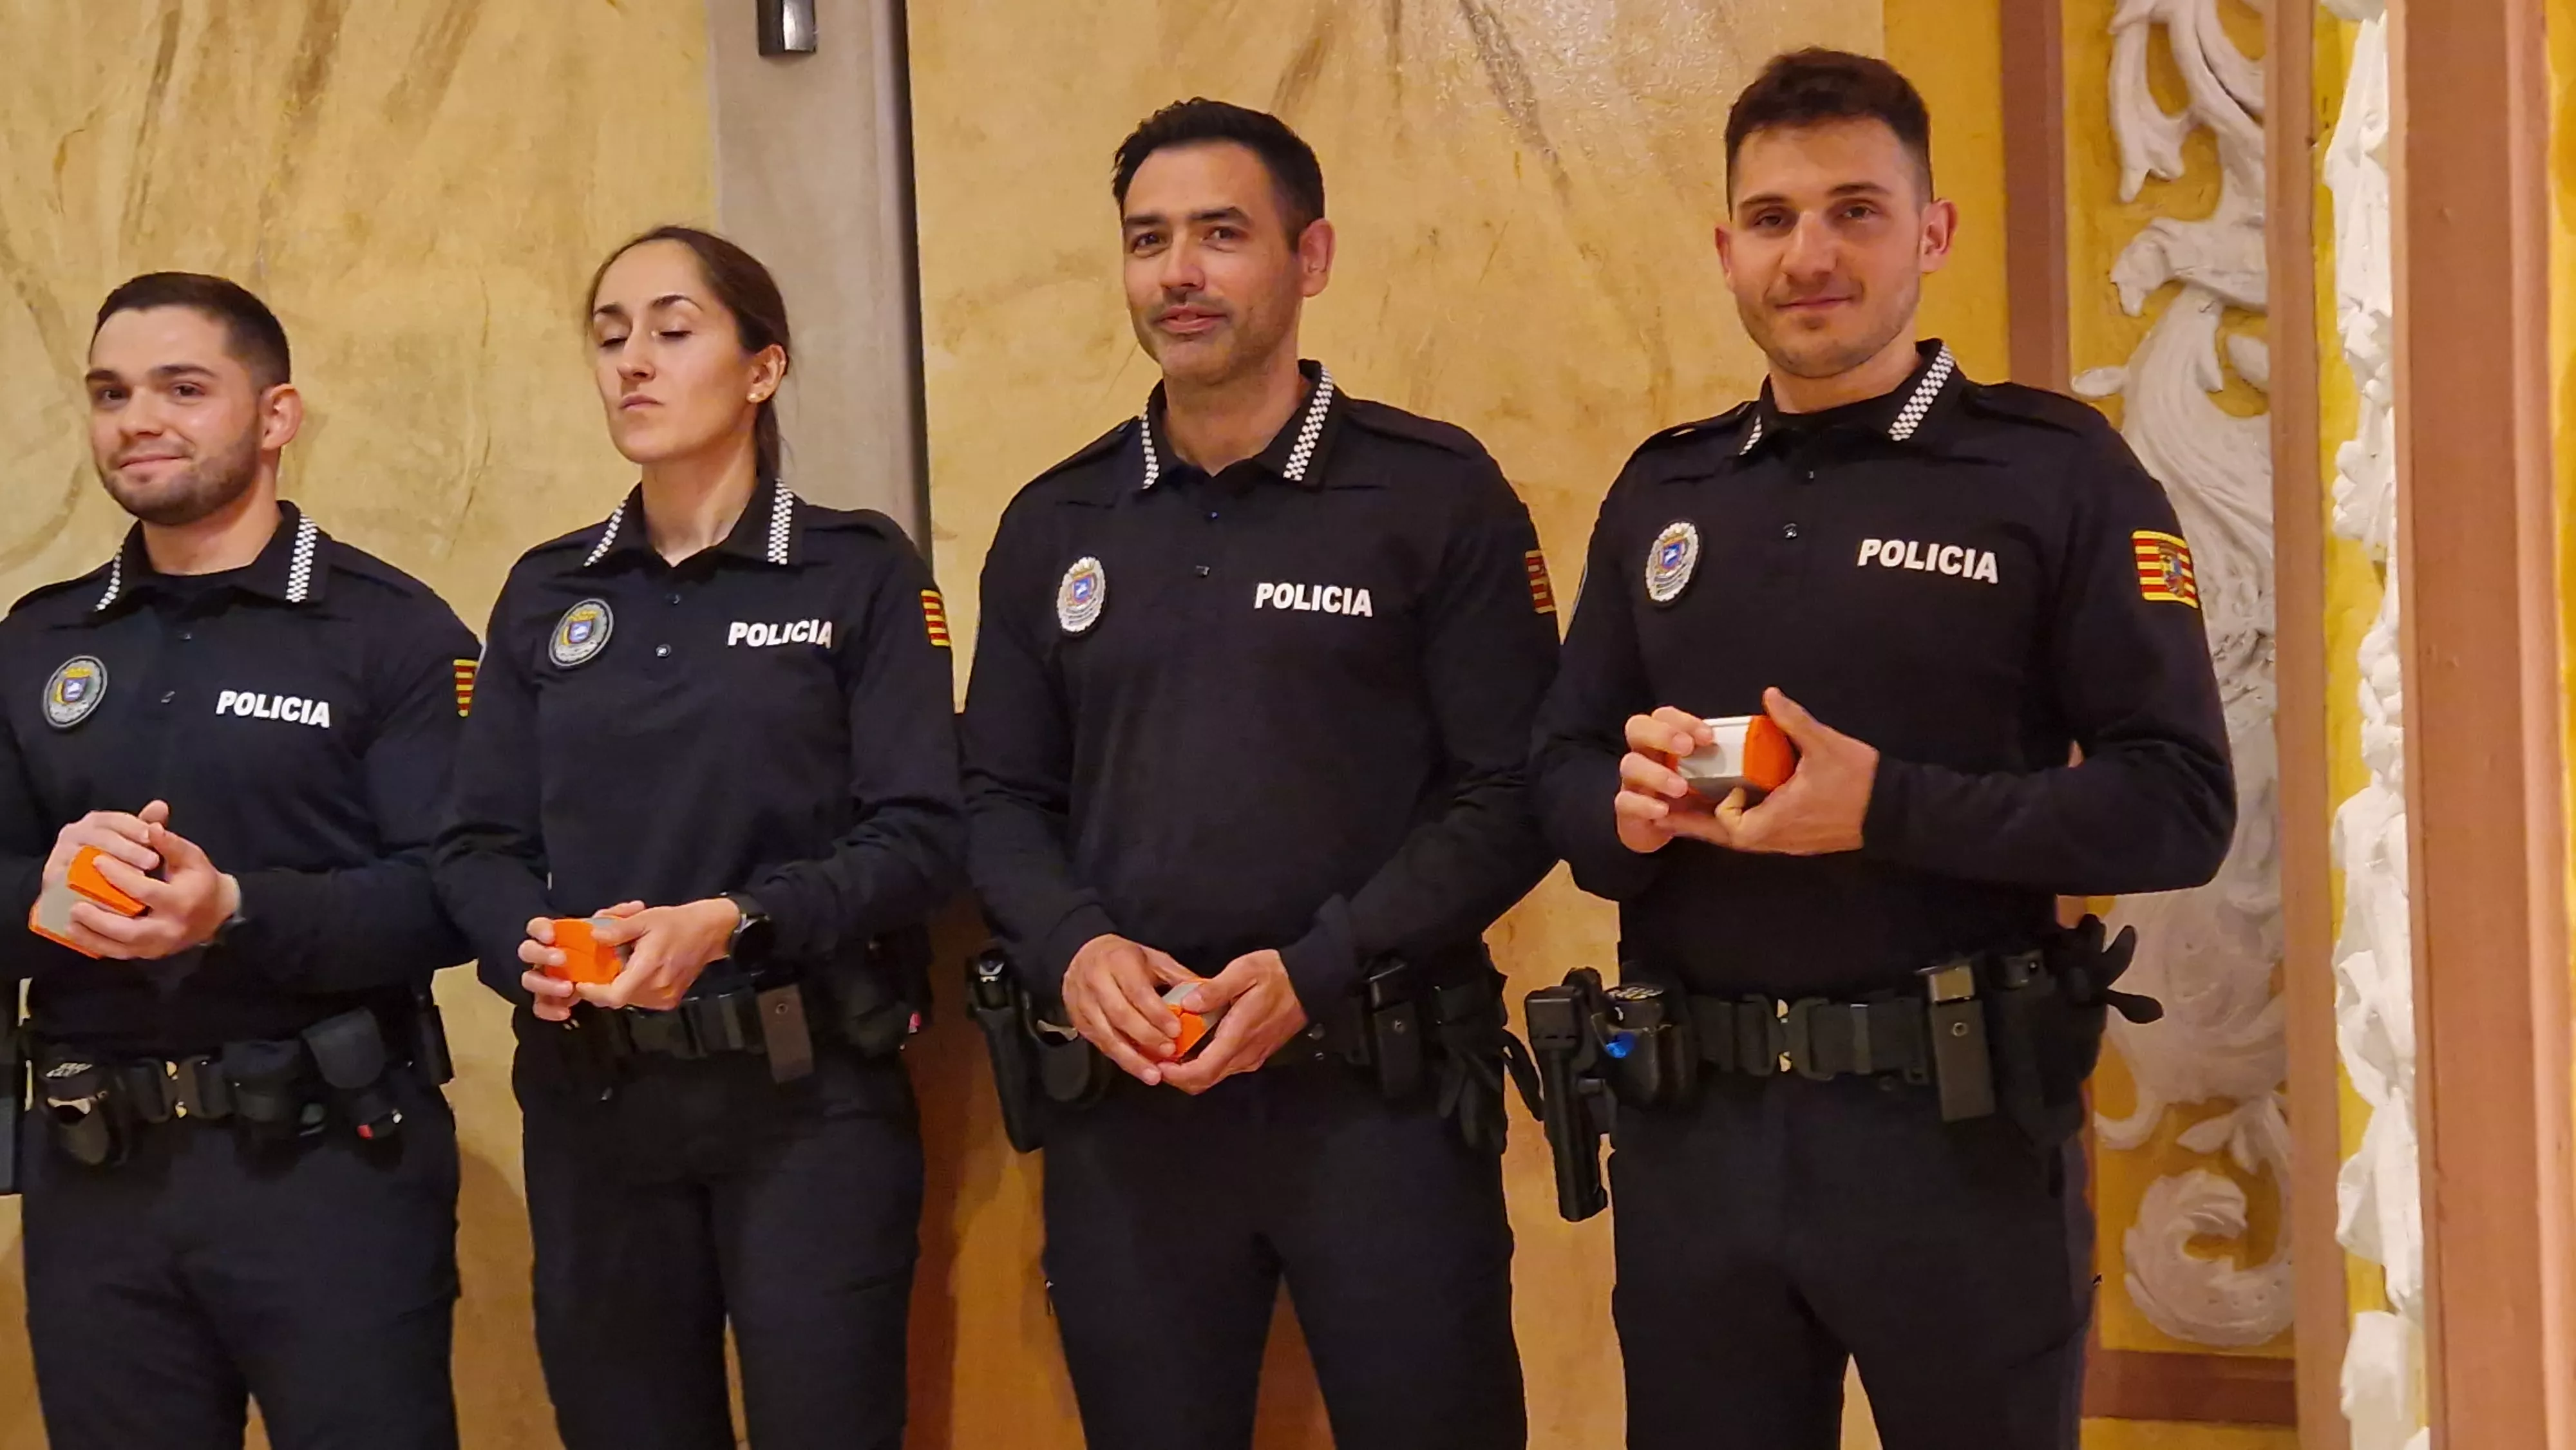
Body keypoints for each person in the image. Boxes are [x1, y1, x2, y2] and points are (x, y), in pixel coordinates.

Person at [1529, 50, 2235, 1450]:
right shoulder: (1663, 487)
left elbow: (2178, 805)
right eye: (1774, 218)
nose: (1811, 253)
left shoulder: (2052, 473)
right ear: (1726, 249)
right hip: (1696, 1136)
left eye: (1854, 209)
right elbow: (1553, 770)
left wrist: (1888, 807)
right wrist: (1633, 804)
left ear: (1931, 232)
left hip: (1953, 1137)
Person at [961, 99, 1560, 1450]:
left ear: (1311, 256)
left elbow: (1513, 791)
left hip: (1380, 1103)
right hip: (1131, 1116)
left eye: (1220, 235)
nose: (1178, 272)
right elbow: (993, 798)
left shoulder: (1433, 495)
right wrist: (1072, 946)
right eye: (1148, 240)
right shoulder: (1056, 519)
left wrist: (1320, 965)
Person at [434, 227, 963, 1450]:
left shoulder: (855, 570)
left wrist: (738, 919)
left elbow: (925, 835)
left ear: (762, 367)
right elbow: (472, 844)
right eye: (611, 335)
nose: (634, 362)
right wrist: (534, 946)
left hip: (804, 1093)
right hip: (596, 1101)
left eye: (673, 331)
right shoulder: (550, 590)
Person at [0, 273, 473, 1449]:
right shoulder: (39, 638)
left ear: (275, 417)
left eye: (183, 387)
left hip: (326, 1169)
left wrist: (235, 909)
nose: (137, 418)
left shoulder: (393, 632)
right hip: (93, 1175)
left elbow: (451, 895)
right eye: (111, 392)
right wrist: (42, 900)